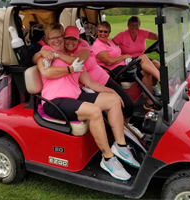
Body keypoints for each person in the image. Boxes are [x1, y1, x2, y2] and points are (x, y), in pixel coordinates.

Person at [37, 23, 140, 181]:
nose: (57, 40)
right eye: (53, 38)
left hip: (74, 96)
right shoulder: (46, 56)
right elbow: (48, 73)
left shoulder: (73, 59)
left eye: (59, 37)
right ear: (47, 39)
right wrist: (69, 68)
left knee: (113, 101)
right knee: (94, 111)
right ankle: (108, 159)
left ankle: (121, 146)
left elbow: (90, 83)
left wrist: (112, 91)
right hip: (54, 101)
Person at [36, 26, 142, 136]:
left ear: (78, 39)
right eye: (68, 38)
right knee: (111, 106)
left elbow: (79, 60)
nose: (71, 42)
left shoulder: (82, 46)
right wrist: (41, 53)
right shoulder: (56, 52)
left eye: (74, 39)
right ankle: (120, 132)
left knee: (127, 104)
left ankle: (125, 130)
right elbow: (44, 65)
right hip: (85, 86)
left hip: (101, 79)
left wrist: (56, 55)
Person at [92, 21, 159, 110]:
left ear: (109, 32)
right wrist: (124, 56)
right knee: (143, 62)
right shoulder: (97, 45)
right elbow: (108, 61)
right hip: (115, 72)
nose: (103, 34)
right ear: (97, 32)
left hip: (123, 66)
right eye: (100, 31)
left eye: (105, 32)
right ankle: (155, 91)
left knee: (146, 63)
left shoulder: (109, 42)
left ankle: (149, 100)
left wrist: (124, 57)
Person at [113, 16, 161, 99]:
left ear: (139, 25)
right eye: (132, 25)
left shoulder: (141, 32)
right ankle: (161, 80)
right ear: (128, 25)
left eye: (136, 25)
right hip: (129, 60)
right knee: (144, 60)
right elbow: (111, 45)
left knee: (157, 65)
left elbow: (155, 36)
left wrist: (162, 35)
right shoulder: (122, 35)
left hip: (142, 58)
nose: (134, 27)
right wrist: (119, 56)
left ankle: (152, 86)